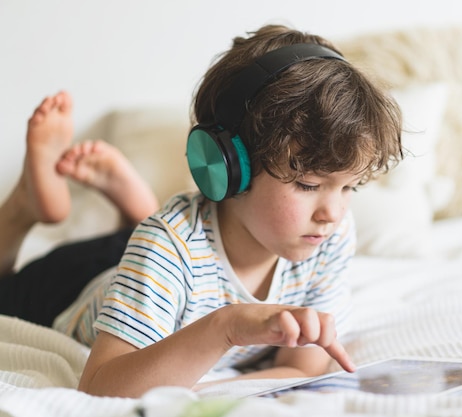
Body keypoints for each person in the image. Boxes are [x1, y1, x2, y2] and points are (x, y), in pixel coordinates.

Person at [0, 24, 403, 398]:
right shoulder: (166, 247)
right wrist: (225, 328)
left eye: (350, 187)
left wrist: (208, 384)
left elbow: (301, 369)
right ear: (225, 169)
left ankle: (132, 211)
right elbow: (99, 387)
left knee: (147, 245)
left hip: (159, 267)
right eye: (308, 185)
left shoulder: (327, 236)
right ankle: (22, 208)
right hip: (69, 289)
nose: (332, 212)